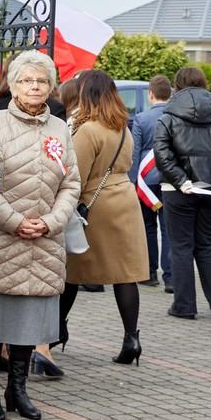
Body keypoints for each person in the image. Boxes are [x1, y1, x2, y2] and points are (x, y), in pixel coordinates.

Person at [0, 51, 80, 420]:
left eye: (41, 81)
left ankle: (17, 389)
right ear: (13, 85)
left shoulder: (60, 128)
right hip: (2, 236)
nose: (34, 87)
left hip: (44, 239)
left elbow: (71, 182)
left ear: (51, 87)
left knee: (31, 318)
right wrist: (14, 221)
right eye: (26, 80)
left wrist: (51, 221)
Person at [62, 70, 149, 366]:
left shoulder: (88, 130)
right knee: (125, 274)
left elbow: (77, 174)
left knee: (72, 269)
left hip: (96, 204)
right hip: (125, 199)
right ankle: (131, 338)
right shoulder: (122, 127)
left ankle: (56, 330)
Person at [153, 67, 211, 320]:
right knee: (206, 242)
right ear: (205, 84)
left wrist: (181, 180)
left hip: (177, 190)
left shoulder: (168, 117)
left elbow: (161, 152)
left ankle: (184, 306)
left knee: (181, 246)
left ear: (177, 85)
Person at [129, 75, 173, 292]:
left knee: (148, 227)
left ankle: (149, 272)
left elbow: (135, 152)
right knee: (168, 229)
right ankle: (171, 277)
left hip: (146, 182)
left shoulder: (141, 119)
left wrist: (133, 181)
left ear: (151, 94)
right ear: (170, 94)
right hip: (170, 179)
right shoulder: (176, 117)